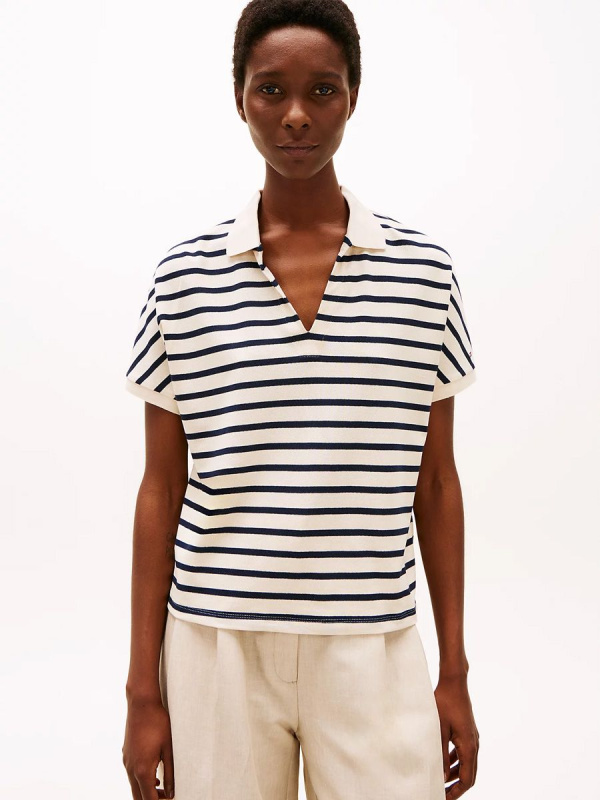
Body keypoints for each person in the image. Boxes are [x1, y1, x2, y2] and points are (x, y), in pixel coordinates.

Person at [121, 1, 480, 798]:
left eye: (321, 90)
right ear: (239, 99)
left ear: (353, 96)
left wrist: (453, 671)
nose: (294, 115)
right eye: (270, 89)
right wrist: (143, 690)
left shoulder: (424, 276)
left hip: (371, 646)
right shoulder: (183, 280)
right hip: (216, 647)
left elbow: (435, 482)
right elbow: (161, 489)